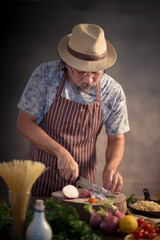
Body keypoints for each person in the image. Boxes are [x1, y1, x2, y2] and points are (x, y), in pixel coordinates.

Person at [17, 23, 130, 197]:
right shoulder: (46, 75)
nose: (89, 80)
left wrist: (111, 167)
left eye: (96, 73)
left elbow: (116, 139)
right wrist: (60, 152)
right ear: (67, 64)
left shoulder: (112, 91)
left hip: (82, 186)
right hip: (39, 177)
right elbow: (24, 123)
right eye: (80, 72)